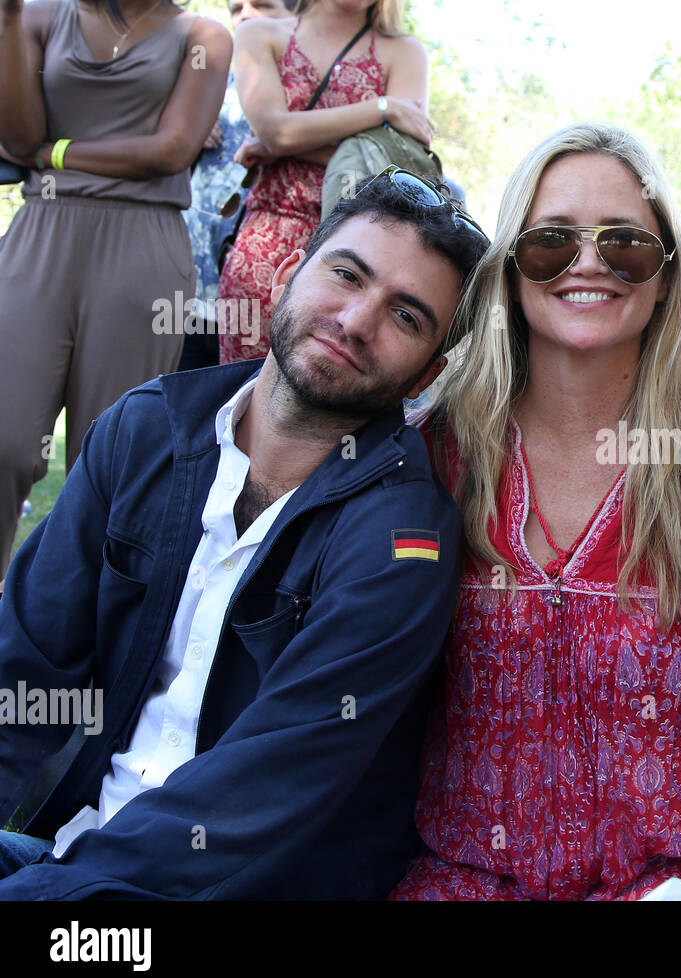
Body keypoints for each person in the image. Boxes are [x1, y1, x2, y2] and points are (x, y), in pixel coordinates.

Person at [0, 170, 488, 899]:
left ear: (429, 375)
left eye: (407, 317)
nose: (356, 320)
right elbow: (21, 671)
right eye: (346, 274)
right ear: (290, 273)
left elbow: (257, 799)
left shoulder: (403, 540)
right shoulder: (145, 430)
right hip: (66, 854)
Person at [389, 123, 681, 901]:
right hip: (457, 882)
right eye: (551, 241)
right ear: (508, 269)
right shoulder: (429, 455)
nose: (589, 263)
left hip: (672, 887)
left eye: (626, 243)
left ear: (667, 274)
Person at [0, 0, 233, 580]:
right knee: (7, 438)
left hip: (143, 243)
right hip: (42, 231)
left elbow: (170, 151)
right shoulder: (33, 17)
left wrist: (53, 154)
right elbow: (16, 131)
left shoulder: (203, 35)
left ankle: (66, 623)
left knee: (103, 453)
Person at [216, 0, 434, 363]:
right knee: (242, 386)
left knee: (329, 389)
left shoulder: (405, 51)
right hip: (268, 240)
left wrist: (288, 145)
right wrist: (384, 108)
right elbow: (276, 132)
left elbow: (396, 165)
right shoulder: (259, 33)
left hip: (360, 252)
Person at [178, 0, 301, 372]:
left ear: (299, 15)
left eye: (261, 5)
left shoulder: (307, 93)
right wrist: (190, 131)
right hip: (192, 290)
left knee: (243, 402)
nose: (245, 15)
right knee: (180, 405)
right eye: (235, 8)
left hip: (265, 292)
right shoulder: (208, 82)